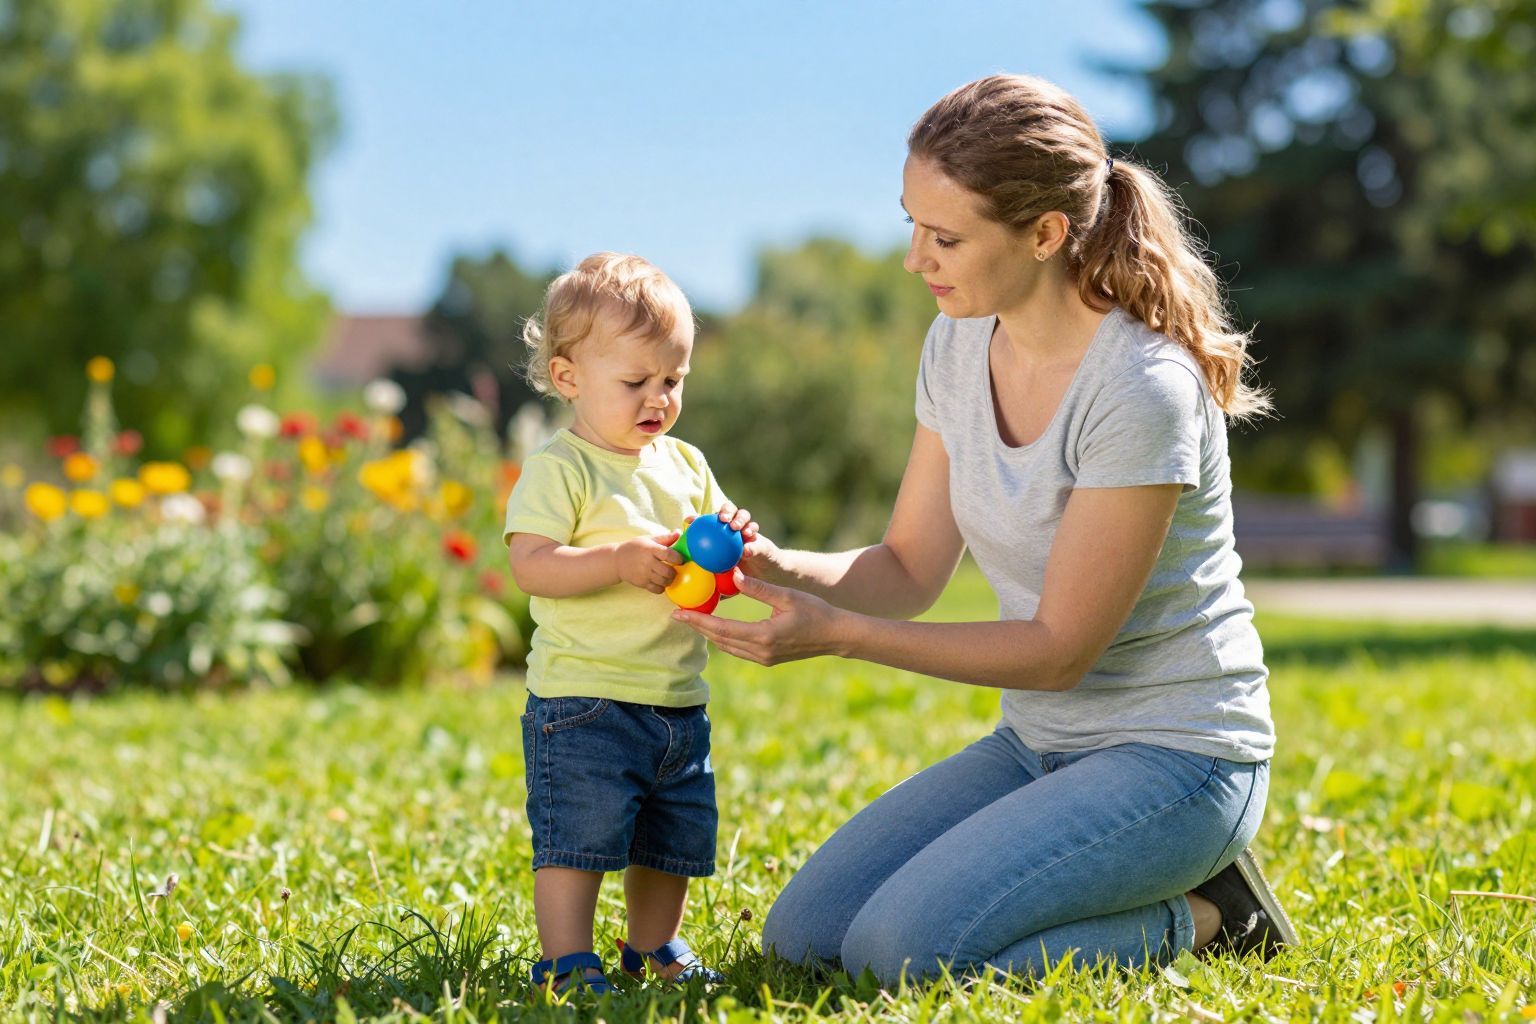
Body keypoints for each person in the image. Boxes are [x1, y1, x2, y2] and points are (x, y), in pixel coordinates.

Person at [673, 75, 1298, 983]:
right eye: (911, 226)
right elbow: (908, 565)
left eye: (947, 237)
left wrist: (842, 638)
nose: (915, 259)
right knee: (804, 938)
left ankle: (1210, 915)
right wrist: (776, 566)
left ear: (1046, 234)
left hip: (1179, 758)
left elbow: (1058, 651)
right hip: (1036, 746)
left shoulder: (1140, 388)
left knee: (901, 955)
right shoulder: (959, 343)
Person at [504, 252, 759, 994]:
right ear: (568, 378)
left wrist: (732, 535)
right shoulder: (563, 469)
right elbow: (534, 565)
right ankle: (564, 958)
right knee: (577, 838)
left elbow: (710, 551)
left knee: (671, 837)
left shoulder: (684, 464)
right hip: (583, 701)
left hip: (676, 698)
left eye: (672, 380)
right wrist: (615, 560)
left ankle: (652, 946)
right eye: (636, 382)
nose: (659, 398)